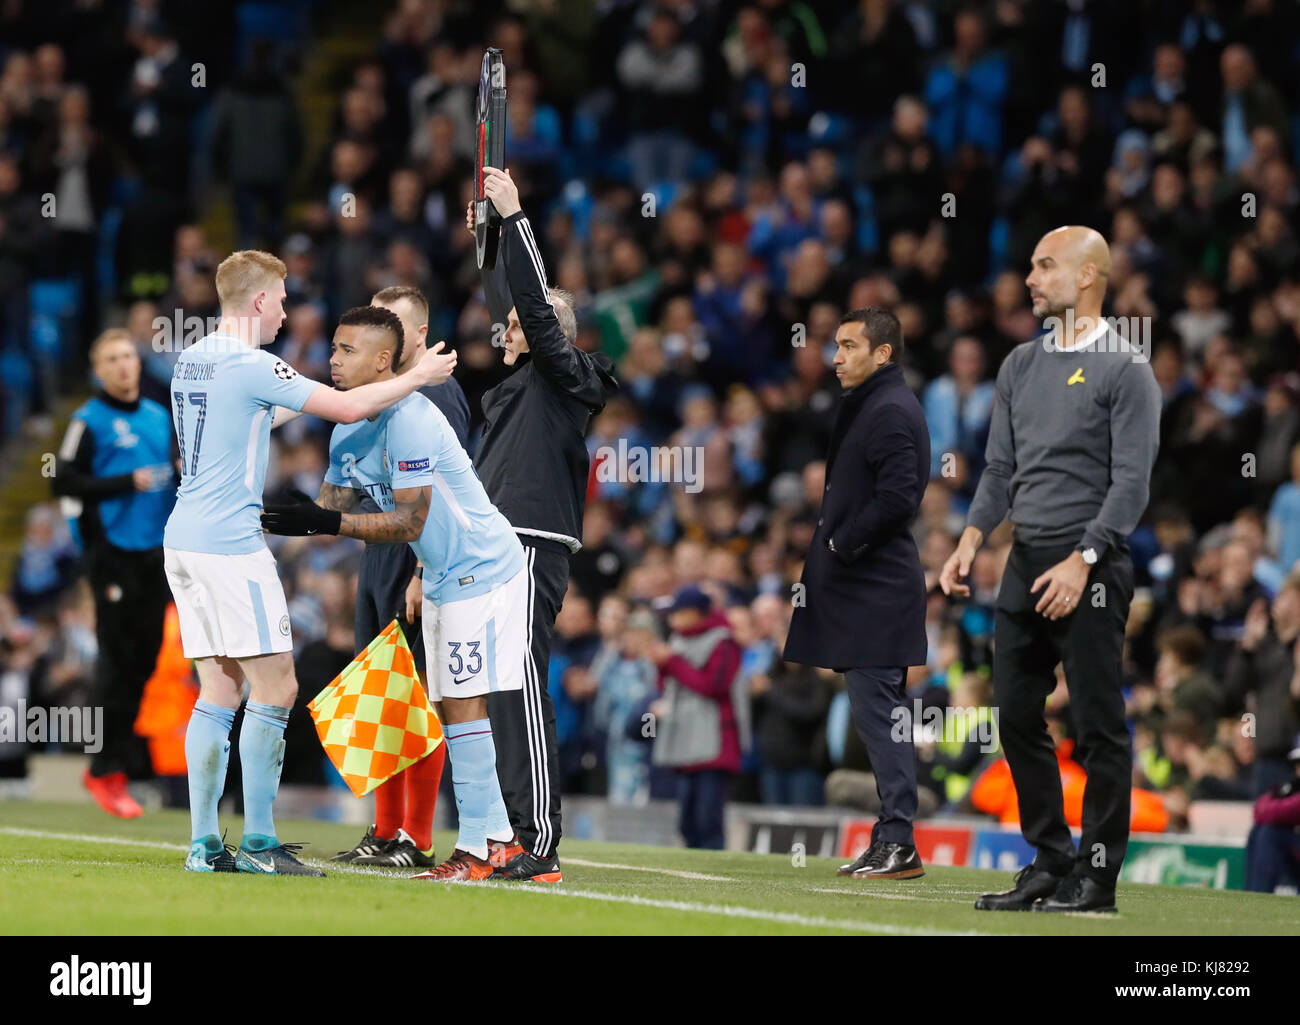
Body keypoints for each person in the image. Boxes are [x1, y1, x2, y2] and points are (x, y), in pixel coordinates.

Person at [164, 250, 456, 876]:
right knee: (279, 687)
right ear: (260, 302)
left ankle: (203, 845)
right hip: (228, 545)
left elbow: (275, 410)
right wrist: (416, 375)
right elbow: (345, 409)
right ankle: (263, 846)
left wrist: (356, 391)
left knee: (218, 689)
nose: (288, 310)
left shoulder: (193, 360)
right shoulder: (252, 363)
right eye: (283, 298)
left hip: (182, 541)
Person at [261, 305, 533, 882]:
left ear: (384, 360)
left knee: (463, 707)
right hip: (442, 574)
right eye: (333, 348)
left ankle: (480, 849)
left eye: (347, 351)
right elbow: (330, 505)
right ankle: (498, 842)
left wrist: (326, 525)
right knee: (448, 706)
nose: (333, 360)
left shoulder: (409, 417)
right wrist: (274, 518)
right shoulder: (346, 426)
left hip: (480, 568)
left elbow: (407, 521)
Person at [940, 225, 1161, 913]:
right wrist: (971, 539)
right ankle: (1049, 858)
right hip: (1027, 558)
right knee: (1014, 715)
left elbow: (1131, 484)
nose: (1030, 280)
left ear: (1089, 277)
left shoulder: (1128, 368)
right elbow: (1000, 468)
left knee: (1096, 725)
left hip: (1090, 559)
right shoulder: (1019, 365)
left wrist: (1084, 559)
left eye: (1045, 267)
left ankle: (1097, 878)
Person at [467, 167, 618, 881]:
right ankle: (511, 830)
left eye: (524, 319)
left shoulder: (571, 376)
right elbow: (513, 295)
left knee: (523, 677)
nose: (507, 324)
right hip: (492, 546)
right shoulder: (507, 394)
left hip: (532, 542)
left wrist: (516, 216)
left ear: (549, 330)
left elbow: (528, 296)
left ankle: (542, 841)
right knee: (499, 684)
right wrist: (494, 235)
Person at [783, 308, 930, 880]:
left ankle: (900, 841)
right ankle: (889, 838)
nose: (836, 357)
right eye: (835, 345)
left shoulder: (890, 410)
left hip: (876, 589)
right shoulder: (877, 403)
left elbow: (899, 499)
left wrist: (843, 544)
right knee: (875, 719)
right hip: (865, 588)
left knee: (881, 718)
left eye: (848, 346)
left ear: (883, 354)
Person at [328, 285, 470, 868]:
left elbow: (444, 495)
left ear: (415, 337)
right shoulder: (374, 399)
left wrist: (419, 571)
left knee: (413, 700)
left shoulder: (436, 396)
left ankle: (416, 837)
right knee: (377, 696)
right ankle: (385, 832)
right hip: (378, 555)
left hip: (421, 556)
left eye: (397, 326)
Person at [53, 328, 177, 817]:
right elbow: (62, 482)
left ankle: (119, 763)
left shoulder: (157, 416)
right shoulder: (88, 421)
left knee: (145, 663)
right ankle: (106, 768)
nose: (124, 365)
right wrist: (127, 482)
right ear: (98, 370)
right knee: (116, 661)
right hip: (113, 556)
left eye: (129, 356)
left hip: (156, 557)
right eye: (113, 359)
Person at [649, 586, 744, 849]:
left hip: (715, 741)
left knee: (708, 817)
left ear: (694, 613)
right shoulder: (678, 641)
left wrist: (672, 663)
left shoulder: (724, 641)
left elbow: (714, 686)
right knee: (687, 820)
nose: (672, 619)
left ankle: (715, 872)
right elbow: (666, 687)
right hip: (684, 740)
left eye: (677, 613)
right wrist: (662, 665)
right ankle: (696, 869)